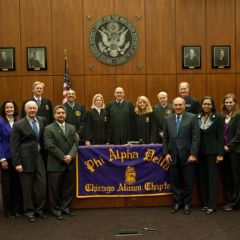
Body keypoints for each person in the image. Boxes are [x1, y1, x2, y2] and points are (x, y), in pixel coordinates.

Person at [10, 101, 47, 222]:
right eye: (30, 108)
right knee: (27, 188)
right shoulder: (19, 124)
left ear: (37, 109)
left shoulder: (42, 120)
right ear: (25, 110)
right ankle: (29, 211)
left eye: (34, 108)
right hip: (25, 160)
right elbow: (14, 146)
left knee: (41, 185)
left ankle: (39, 209)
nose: (32, 110)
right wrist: (17, 163)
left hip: (39, 158)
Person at [163, 97, 200, 215]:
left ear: (184, 106)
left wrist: (193, 154)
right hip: (173, 155)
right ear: (172, 106)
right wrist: (166, 153)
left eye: (180, 105)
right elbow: (165, 138)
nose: (178, 107)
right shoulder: (167, 119)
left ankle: (187, 203)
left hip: (188, 156)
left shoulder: (192, 117)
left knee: (188, 182)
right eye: (176, 105)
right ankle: (177, 202)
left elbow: (196, 137)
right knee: (175, 181)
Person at [44, 105, 78, 220]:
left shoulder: (72, 127)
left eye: (63, 113)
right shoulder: (48, 128)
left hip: (69, 163)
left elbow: (76, 143)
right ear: (54, 115)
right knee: (54, 189)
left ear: (66, 115)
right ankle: (56, 210)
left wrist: (71, 155)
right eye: (58, 113)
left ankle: (65, 208)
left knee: (68, 188)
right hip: (55, 164)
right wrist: (64, 157)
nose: (61, 115)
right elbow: (50, 146)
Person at [197, 96, 224, 214]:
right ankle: (205, 203)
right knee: (202, 178)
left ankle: (212, 205)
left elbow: (220, 137)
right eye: (204, 104)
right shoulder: (198, 116)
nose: (206, 106)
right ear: (201, 105)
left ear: (212, 105)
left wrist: (220, 154)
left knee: (212, 179)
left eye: (208, 104)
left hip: (213, 153)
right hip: (200, 152)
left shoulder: (217, 117)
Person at [0, 101, 22, 219]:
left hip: (18, 158)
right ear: (4, 109)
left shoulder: (19, 121)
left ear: (15, 109)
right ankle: (8, 210)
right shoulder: (0, 122)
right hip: (6, 158)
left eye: (11, 107)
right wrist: (2, 159)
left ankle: (16, 209)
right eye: (7, 107)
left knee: (17, 184)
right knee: (7, 185)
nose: (9, 109)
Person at [221, 93, 240, 211]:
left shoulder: (238, 115)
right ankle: (230, 201)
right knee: (227, 176)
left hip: (235, 151)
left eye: (230, 102)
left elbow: (239, 134)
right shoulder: (222, 116)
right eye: (226, 102)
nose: (228, 104)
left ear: (235, 103)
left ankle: (236, 203)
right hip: (224, 151)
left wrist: (229, 146)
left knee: (236, 177)